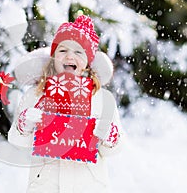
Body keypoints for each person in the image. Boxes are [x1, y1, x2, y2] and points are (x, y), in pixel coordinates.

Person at [8, 15, 125, 193]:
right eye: (63, 51)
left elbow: (115, 149)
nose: (70, 56)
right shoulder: (36, 94)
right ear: (54, 57)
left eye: (79, 52)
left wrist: (110, 136)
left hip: (89, 186)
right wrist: (25, 124)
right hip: (46, 186)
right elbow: (16, 140)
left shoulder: (102, 99)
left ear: (88, 61)